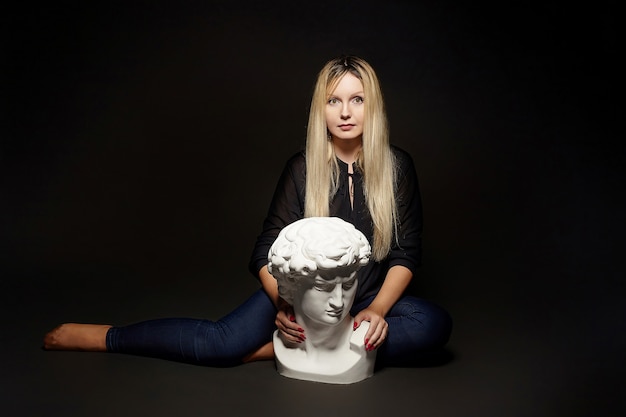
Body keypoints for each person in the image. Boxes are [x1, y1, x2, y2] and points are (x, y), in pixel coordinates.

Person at [43, 55, 452, 368]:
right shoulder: (301, 167)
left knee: (431, 325)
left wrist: (377, 311)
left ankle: (286, 350)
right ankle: (109, 337)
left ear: (372, 106)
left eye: (357, 100)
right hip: (304, 295)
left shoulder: (398, 167)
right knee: (220, 344)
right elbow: (264, 250)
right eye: (334, 101)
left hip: (366, 294)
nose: (345, 112)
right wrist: (287, 306)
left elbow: (405, 253)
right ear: (321, 109)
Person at [268, 216, 375, 383]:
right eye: (322, 287)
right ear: (291, 284)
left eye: (348, 285)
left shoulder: (365, 339)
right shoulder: (281, 342)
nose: (339, 302)